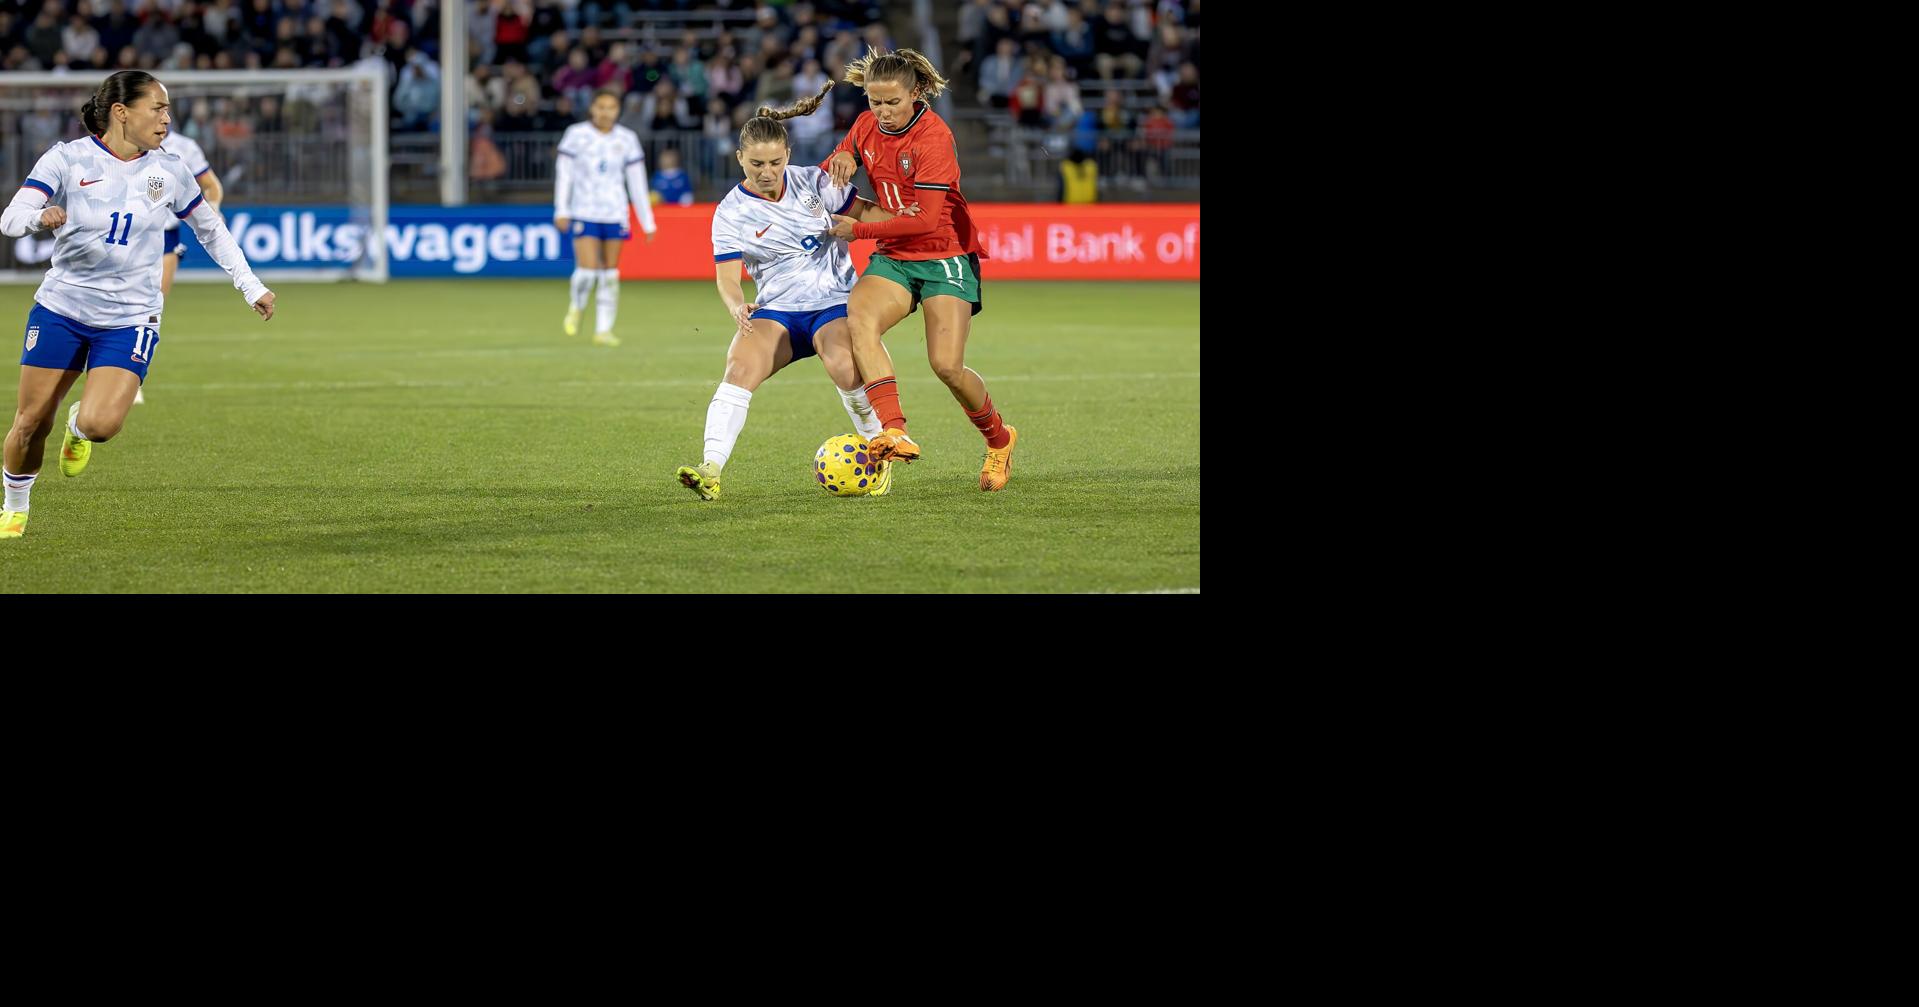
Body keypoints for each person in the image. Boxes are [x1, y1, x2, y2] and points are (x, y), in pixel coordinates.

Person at [1, 71, 275, 540]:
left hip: (129, 318)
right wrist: (36, 218)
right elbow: (10, 218)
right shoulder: (67, 159)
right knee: (30, 422)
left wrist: (249, 285)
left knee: (101, 424)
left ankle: (80, 428)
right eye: (158, 108)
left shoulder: (170, 169)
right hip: (62, 309)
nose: (167, 118)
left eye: (168, 109)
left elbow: (210, 230)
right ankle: (14, 504)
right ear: (121, 112)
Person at [677, 82, 919, 502]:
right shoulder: (730, 212)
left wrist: (905, 220)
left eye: (774, 161)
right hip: (777, 312)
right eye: (756, 164)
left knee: (845, 363)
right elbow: (728, 277)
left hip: (834, 305)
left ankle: (879, 458)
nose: (766, 171)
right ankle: (710, 468)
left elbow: (863, 213)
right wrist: (737, 306)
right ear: (740, 159)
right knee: (738, 367)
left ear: (787, 155)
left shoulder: (816, 182)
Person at [821, 48, 1019, 492]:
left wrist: (858, 231)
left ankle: (1000, 440)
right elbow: (840, 158)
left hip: (943, 255)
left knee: (947, 366)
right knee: (859, 320)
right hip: (895, 255)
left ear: (916, 92)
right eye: (874, 102)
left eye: (893, 102)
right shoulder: (866, 125)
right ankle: (894, 429)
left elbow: (926, 221)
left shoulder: (933, 138)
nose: (883, 112)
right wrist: (842, 156)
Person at [553, 88, 657, 347]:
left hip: (615, 212)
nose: (605, 112)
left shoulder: (627, 139)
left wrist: (647, 221)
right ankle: (577, 306)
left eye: (611, 107)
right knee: (587, 273)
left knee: (610, 274)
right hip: (583, 210)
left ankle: (603, 329)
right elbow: (564, 175)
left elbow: (637, 182)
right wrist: (561, 209)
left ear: (617, 111)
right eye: (600, 107)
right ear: (592, 109)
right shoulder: (575, 135)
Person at [137, 125, 224, 405]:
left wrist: (213, 209)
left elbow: (211, 186)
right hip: (128, 234)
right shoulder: (123, 142)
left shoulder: (184, 147)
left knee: (152, 307)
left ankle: (132, 377)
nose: (161, 115)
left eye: (163, 107)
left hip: (165, 234)